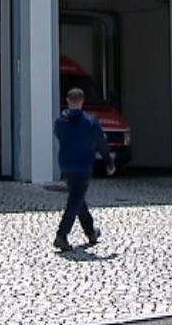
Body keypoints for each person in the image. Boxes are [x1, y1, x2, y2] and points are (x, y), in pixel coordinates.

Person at [53, 87, 115, 252]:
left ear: (67, 100)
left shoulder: (59, 122)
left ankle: (90, 232)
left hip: (66, 165)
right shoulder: (90, 122)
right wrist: (109, 162)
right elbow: (101, 143)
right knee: (75, 199)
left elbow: (60, 136)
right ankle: (62, 234)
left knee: (77, 197)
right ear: (82, 101)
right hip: (83, 166)